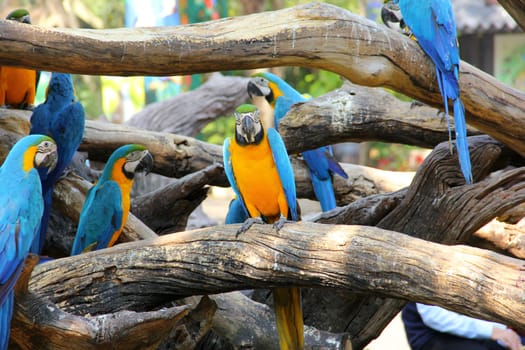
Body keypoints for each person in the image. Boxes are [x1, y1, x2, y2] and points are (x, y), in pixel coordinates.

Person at [402, 302, 523, 350]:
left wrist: (505, 332)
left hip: (474, 328)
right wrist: (494, 331)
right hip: (431, 335)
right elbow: (436, 318)